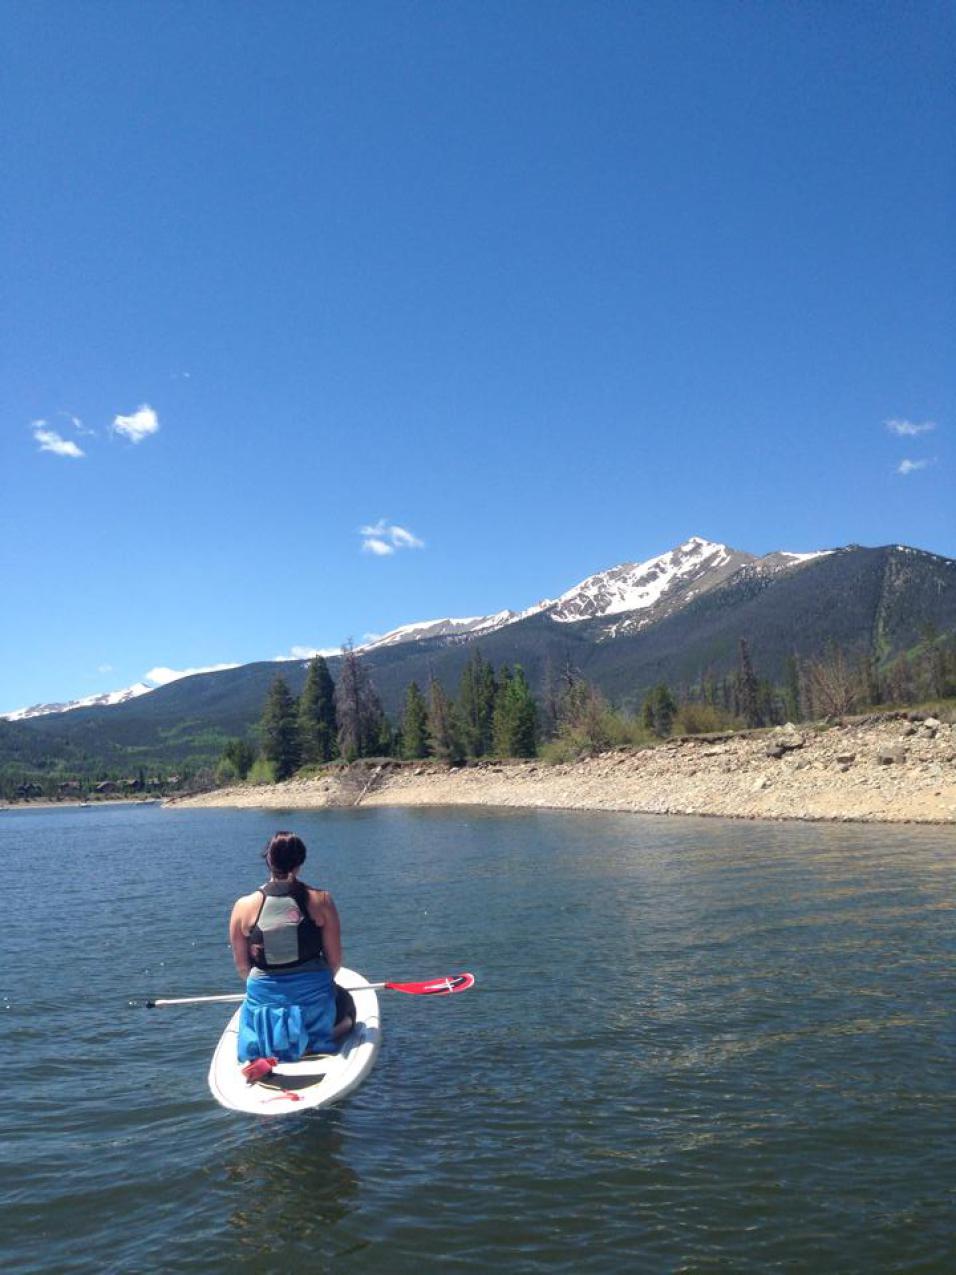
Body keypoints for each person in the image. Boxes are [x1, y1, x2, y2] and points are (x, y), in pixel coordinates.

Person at [229, 831, 354, 1065]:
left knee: (260, 1002)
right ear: (300, 862)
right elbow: (334, 962)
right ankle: (312, 1040)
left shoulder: (242, 906)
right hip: (312, 997)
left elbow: (243, 969)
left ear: (268, 860)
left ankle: (268, 1041)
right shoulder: (321, 900)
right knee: (348, 1012)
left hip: (264, 996)